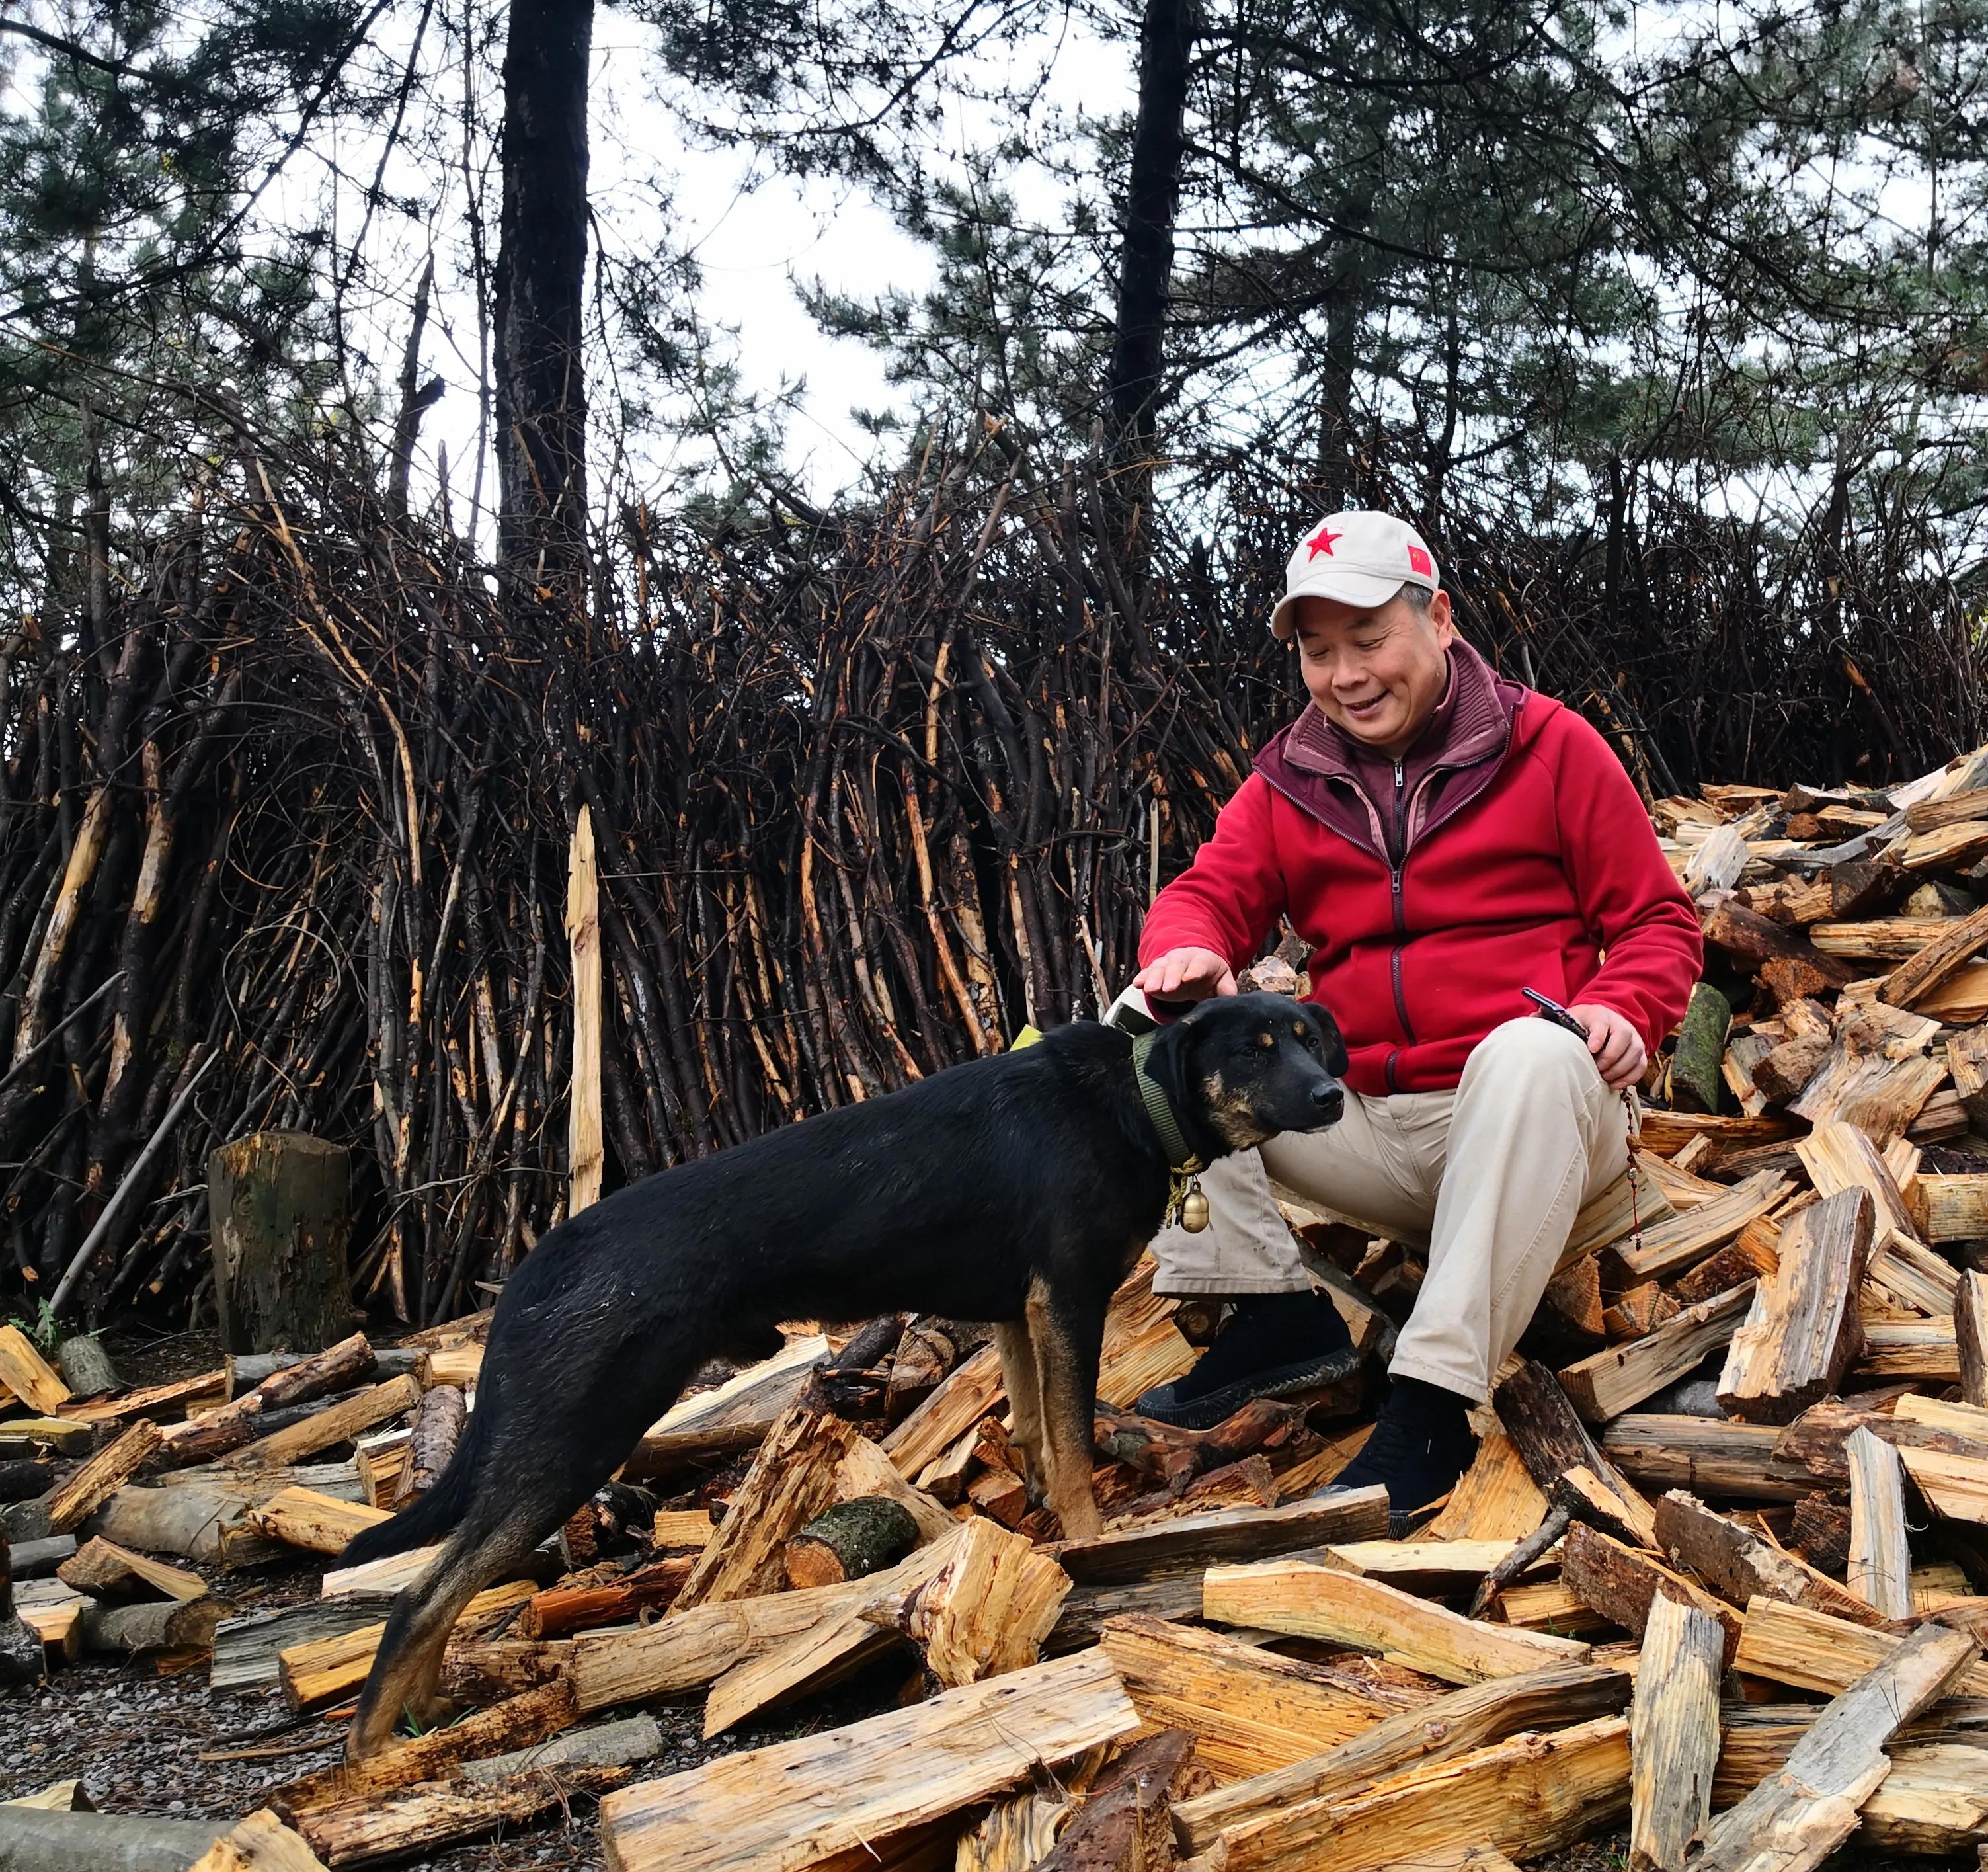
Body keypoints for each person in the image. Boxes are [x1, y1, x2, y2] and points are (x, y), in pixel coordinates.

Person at [1129, 510, 1702, 1531]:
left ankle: (1431, 1412)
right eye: (1318, 651)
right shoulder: (1288, 779)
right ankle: (1269, 1314)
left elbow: (1658, 921)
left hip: (1533, 1128)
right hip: (1360, 1128)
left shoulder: (1551, 746)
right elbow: (1204, 895)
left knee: (1534, 1047)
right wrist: (1190, 946)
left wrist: (1624, 1008)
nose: (1346, 675)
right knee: (1147, 1020)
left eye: (1368, 640)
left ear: (1437, 619)